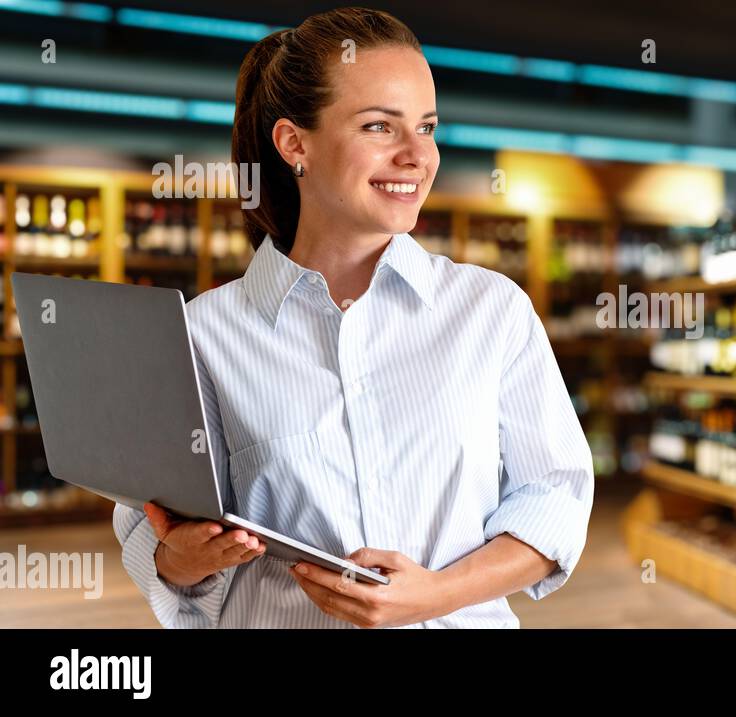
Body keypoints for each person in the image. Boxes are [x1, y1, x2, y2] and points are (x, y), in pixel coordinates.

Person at [112, 7, 594, 628]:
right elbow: (153, 542)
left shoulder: (491, 311)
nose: (417, 155)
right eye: (378, 127)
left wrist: (436, 595)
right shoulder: (202, 335)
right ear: (294, 144)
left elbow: (554, 498)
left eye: (427, 126)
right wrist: (180, 559)